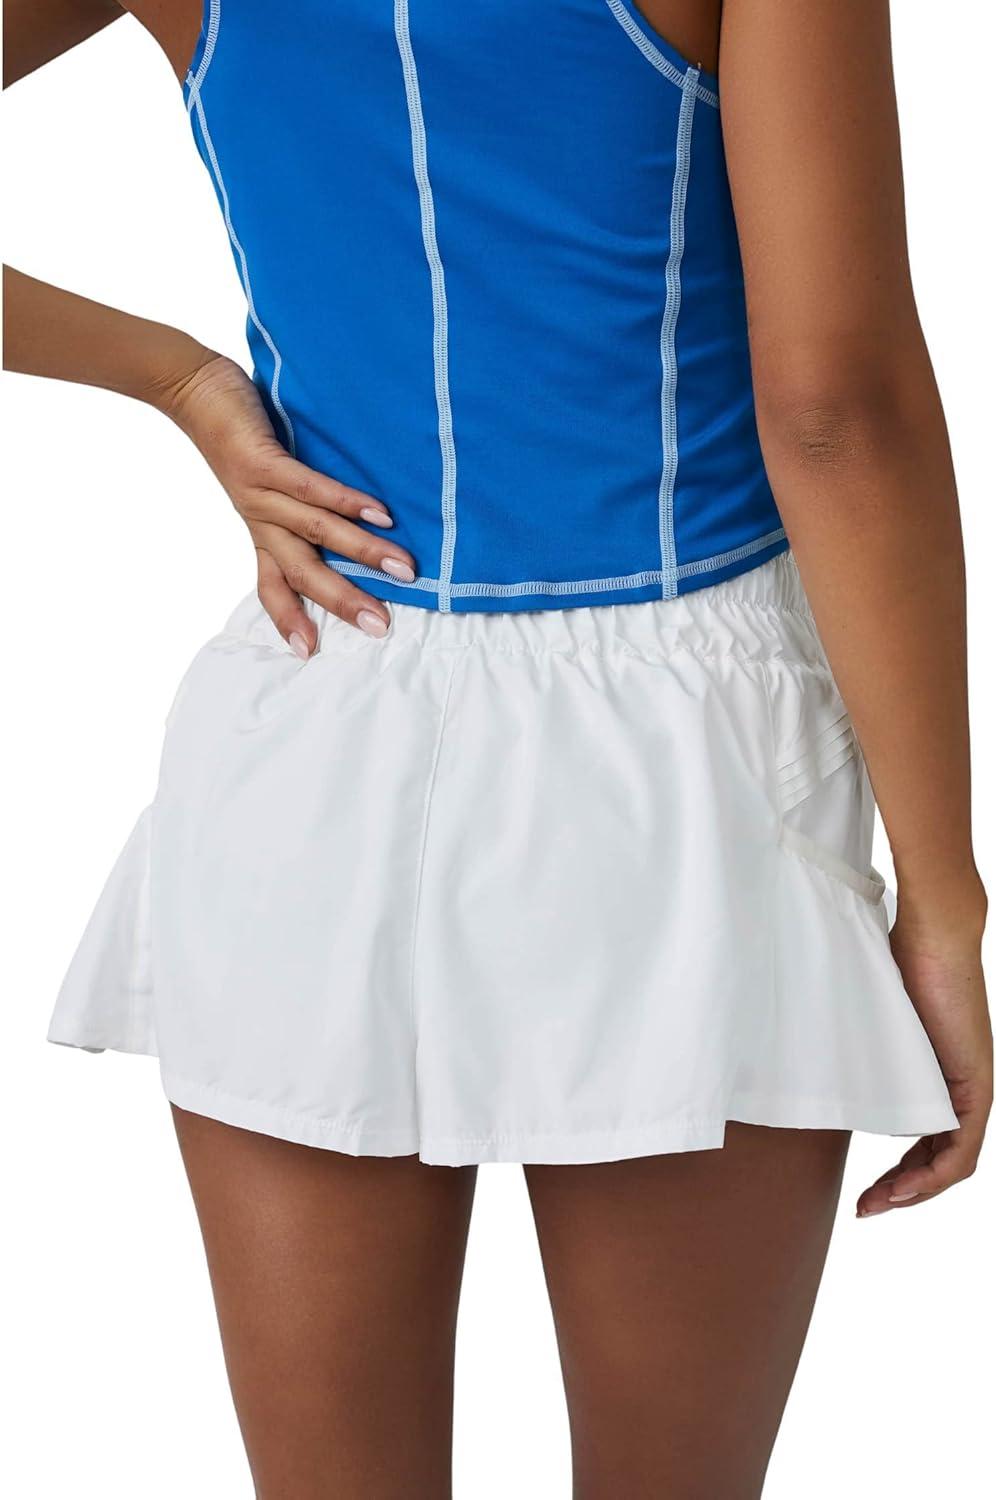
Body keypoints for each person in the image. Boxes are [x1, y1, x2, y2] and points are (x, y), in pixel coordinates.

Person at [5, 2, 991, 1495]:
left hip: (321, 712)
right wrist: (944, 900)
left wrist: (180, 379)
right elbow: (835, 411)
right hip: (691, 759)